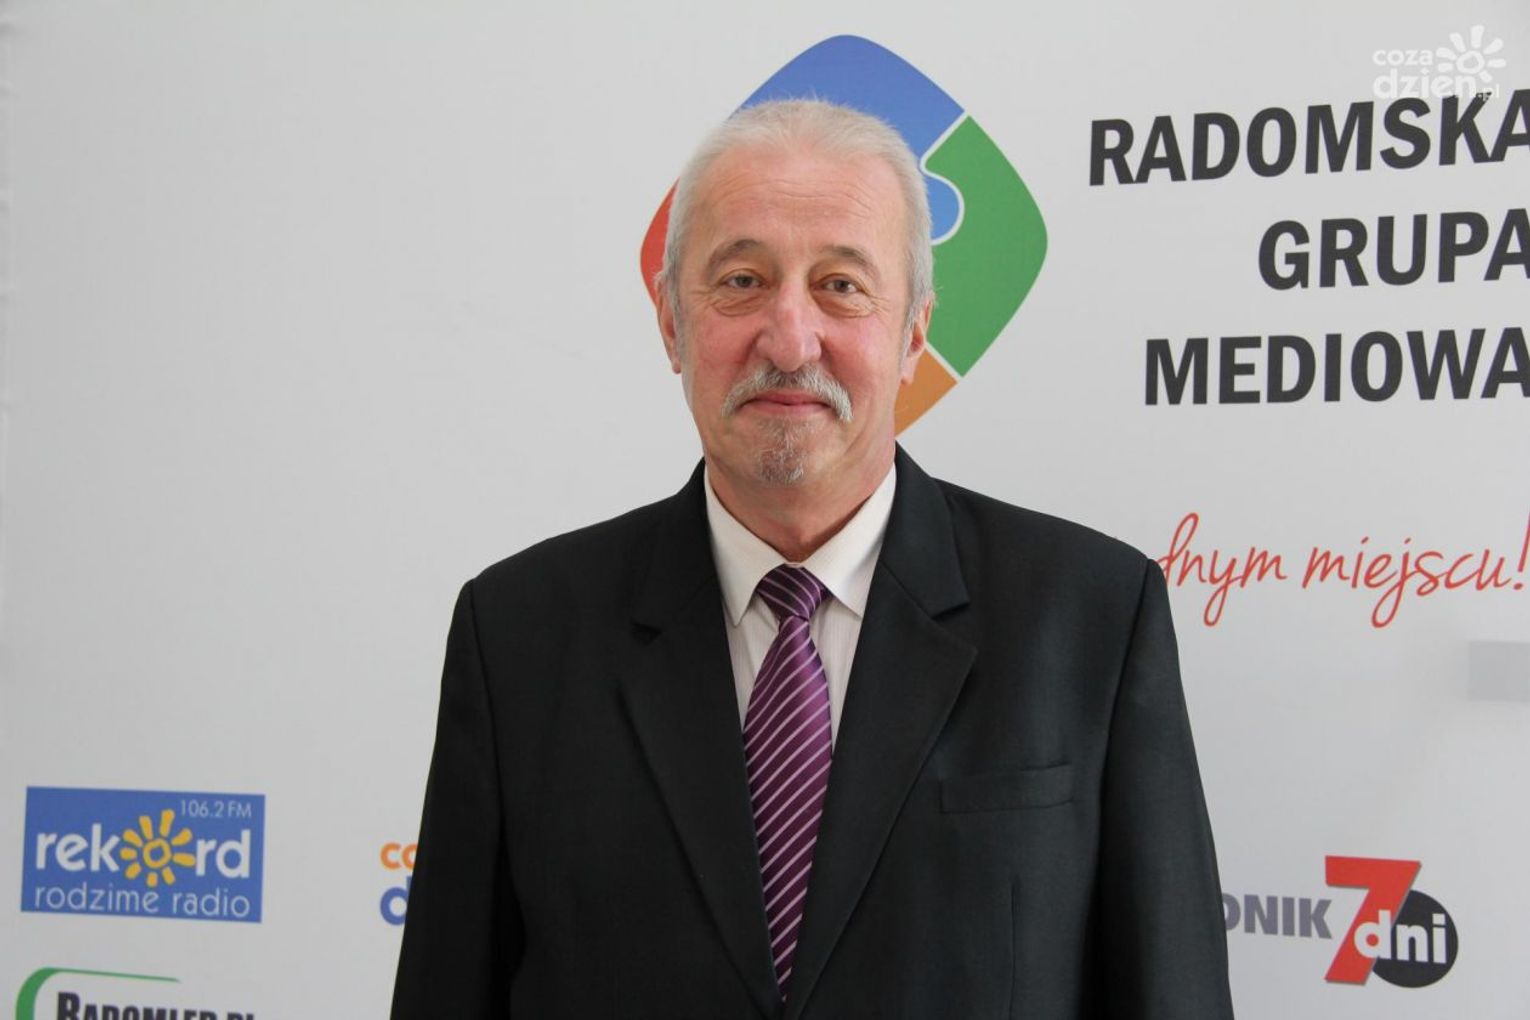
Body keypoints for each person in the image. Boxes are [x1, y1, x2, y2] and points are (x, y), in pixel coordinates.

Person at [391, 98, 1234, 1019]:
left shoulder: (1092, 619)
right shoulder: (516, 637)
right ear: (672, 325)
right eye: (741, 281)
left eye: (841, 285)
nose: (790, 341)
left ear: (914, 333)